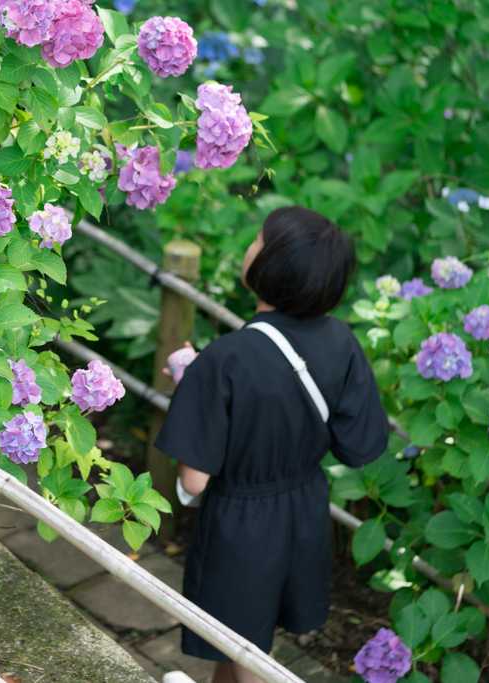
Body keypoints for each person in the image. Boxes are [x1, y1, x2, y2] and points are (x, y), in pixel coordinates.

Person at [154, 206, 389, 683]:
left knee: (249, 657)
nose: (249, 246)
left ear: (272, 265)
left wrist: (192, 387)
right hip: (304, 508)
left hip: (243, 525)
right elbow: (359, 443)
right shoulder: (341, 340)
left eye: (258, 241)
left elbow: (194, 481)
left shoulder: (225, 359)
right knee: (245, 639)